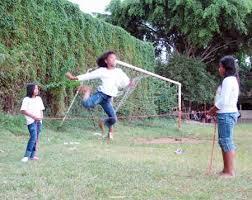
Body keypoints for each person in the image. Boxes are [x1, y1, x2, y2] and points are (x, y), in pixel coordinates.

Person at [66, 51, 131, 141]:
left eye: (115, 58)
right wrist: (74, 78)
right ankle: (87, 91)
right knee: (86, 104)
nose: (114, 60)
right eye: (111, 58)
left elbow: (125, 82)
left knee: (114, 119)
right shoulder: (102, 71)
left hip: (108, 99)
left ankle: (103, 122)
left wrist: (129, 83)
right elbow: (89, 75)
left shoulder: (119, 71)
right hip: (101, 95)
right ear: (106, 61)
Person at [208, 55, 239, 178]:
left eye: (220, 67)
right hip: (225, 114)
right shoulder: (231, 80)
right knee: (223, 142)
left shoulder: (228, 80)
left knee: (226, 141)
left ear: (226, 68)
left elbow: (223, 101)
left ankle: (229, 172)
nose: (219, 69)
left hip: (226, 114)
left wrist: (213, 110)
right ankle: (225, 169)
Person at [20, 83, 45, 162]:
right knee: (33, 137)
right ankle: (26, 156)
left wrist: (41, 117)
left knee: (36, 138)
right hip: (31, 121)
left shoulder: (39, 99)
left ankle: (32, 156)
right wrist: (34, 117)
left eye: (37, 89)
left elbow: (41, 109)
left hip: (39, 121)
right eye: (35, 89)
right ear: (31, 90)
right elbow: (23, 110)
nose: (37, 90)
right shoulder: (26, 99)